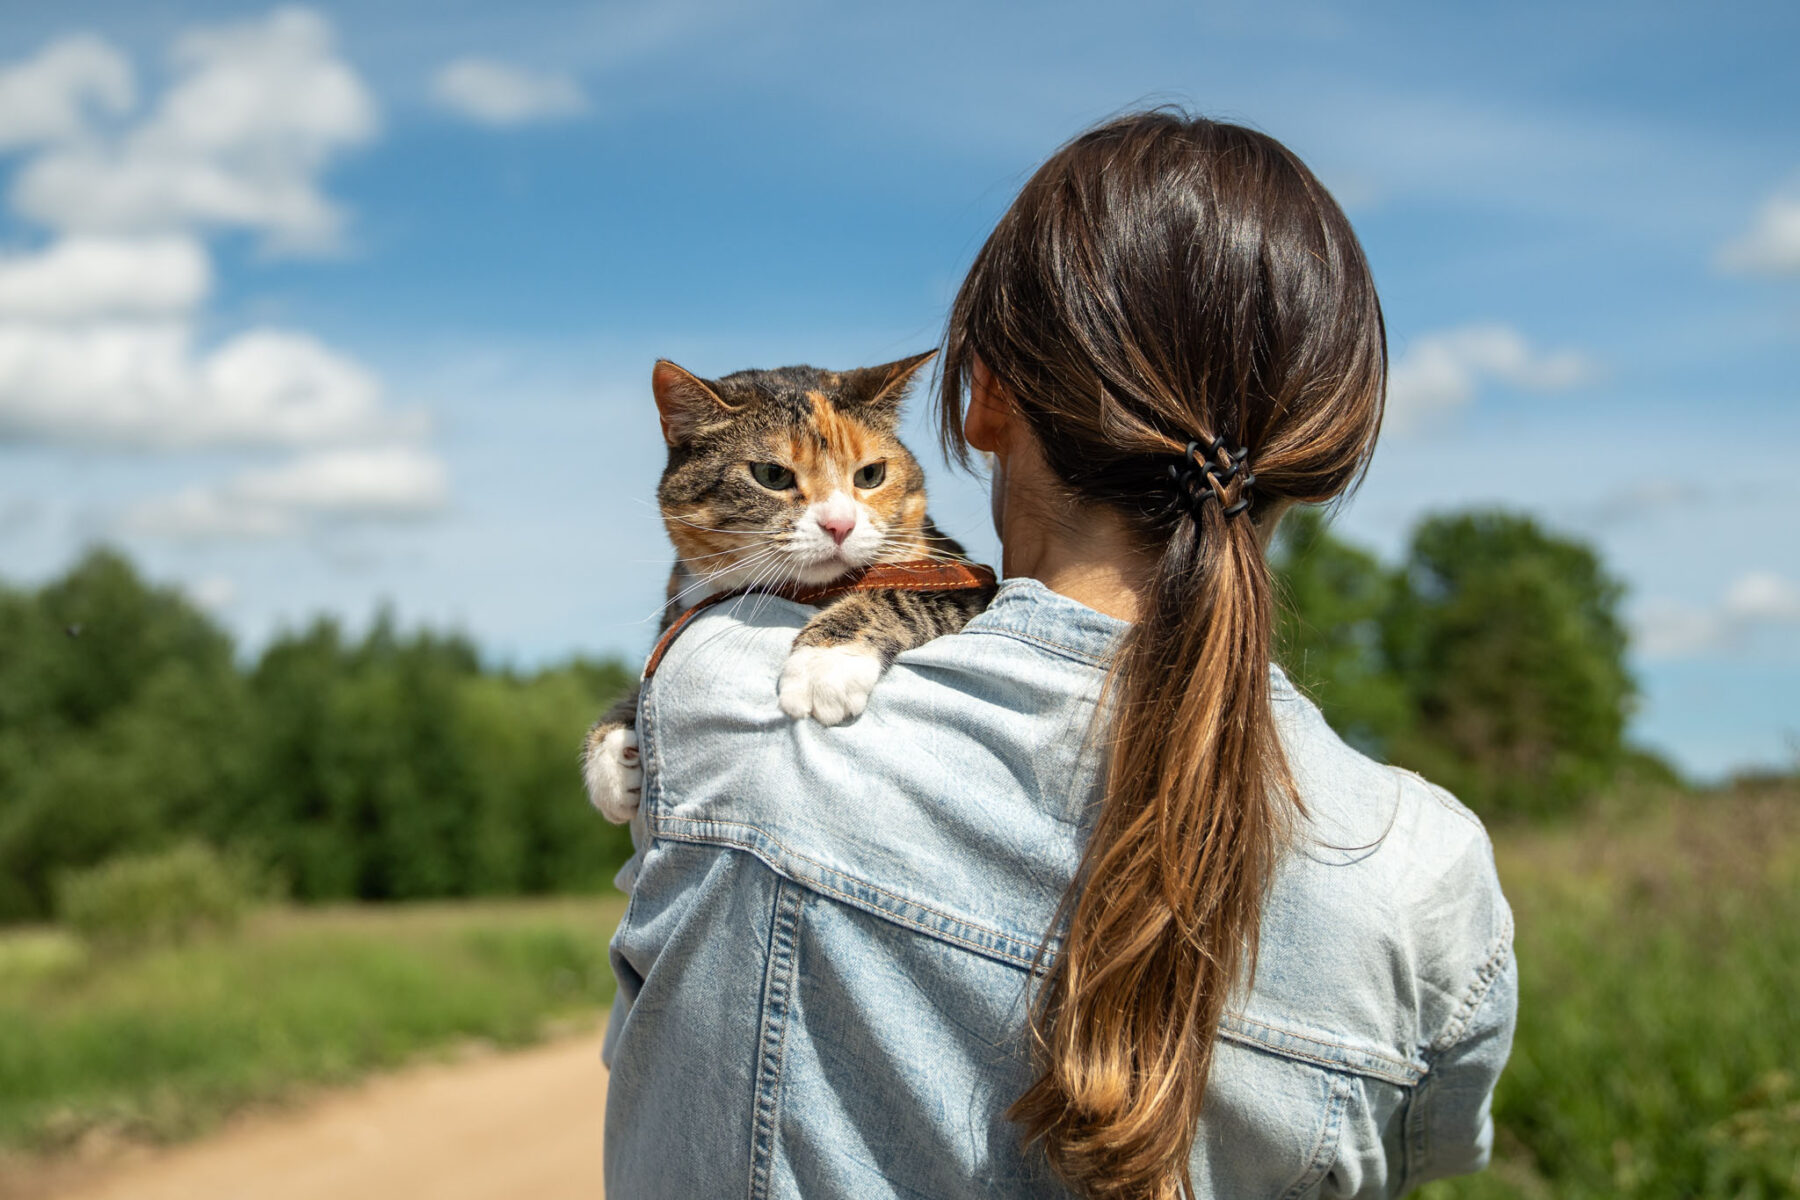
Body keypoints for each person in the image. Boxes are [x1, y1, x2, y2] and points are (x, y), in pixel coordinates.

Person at [601, 110, 1515, 1199]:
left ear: (985, 398)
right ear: (1322, 446)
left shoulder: (727, 706)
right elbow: (1437, 1156)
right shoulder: (1430, 873)